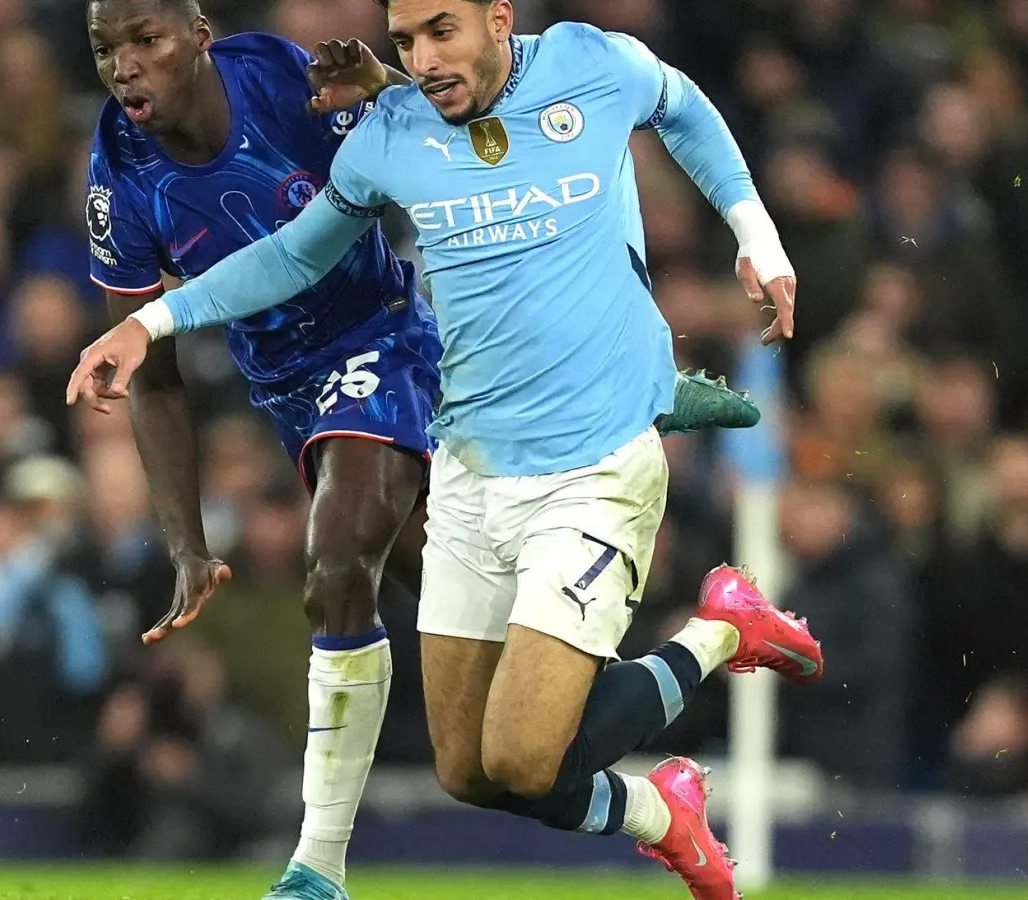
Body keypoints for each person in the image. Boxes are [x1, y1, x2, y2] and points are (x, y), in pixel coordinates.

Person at [70, 2, 823, 899]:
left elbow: (685, 107)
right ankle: (665, 807)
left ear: (498, 18)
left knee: (482, 709)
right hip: (462, 456)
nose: (421, 60)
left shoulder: (589, 65)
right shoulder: (377, 132)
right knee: (471, 773)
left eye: (441, 31)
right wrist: (150, 323)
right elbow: (292, 255)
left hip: (545, 445)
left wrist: (756, 234)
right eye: (404, 44)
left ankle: (713, 626)